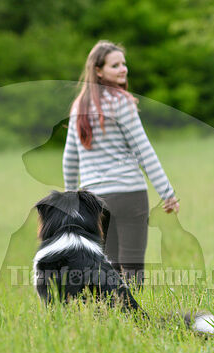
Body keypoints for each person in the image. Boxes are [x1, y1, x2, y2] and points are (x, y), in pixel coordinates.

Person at [63, 40, 179, 287]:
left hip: (95, 200)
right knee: (134, 265)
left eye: (124, 64)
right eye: (115, 65)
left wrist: (72, 199)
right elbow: (143, 150)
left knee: (109, 267)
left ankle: (115, 318)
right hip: (129, 195)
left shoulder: (78, 107)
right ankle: (136, 318)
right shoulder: (121, 102)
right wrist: (167, 192)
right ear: (98, 70)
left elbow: (70, 159)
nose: (123, 69)